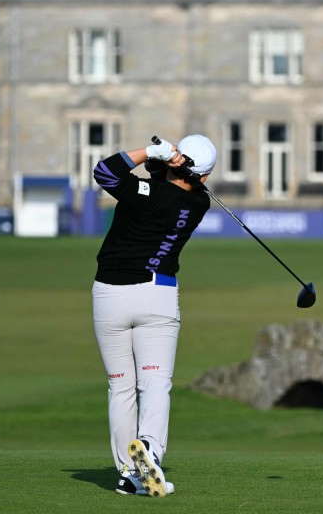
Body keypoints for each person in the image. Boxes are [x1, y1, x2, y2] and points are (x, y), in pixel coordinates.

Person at [91, 134, 217, 497]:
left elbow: (106, 171)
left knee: (120, 386)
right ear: (204, 177)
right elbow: (169, 183)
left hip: (110, 296)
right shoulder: (199, 202)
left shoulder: (145, 192)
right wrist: (172, 163)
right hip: (158, 297)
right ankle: (150, 448)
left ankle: (130, 473)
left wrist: (152, 152)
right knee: (155, 383)